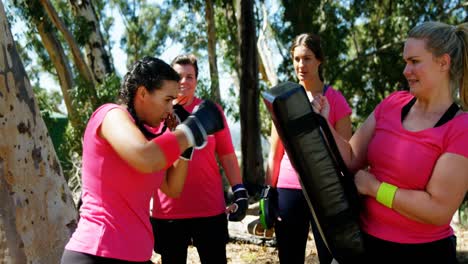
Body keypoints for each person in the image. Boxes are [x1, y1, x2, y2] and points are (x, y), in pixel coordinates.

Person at [312, 21, 468, 263]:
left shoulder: (461, 128)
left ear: (443, 63)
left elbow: (437, 210)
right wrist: (325, 125)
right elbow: (352, 158)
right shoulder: (393, 103)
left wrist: (375, 188)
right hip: (365, 244)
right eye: (406, 61)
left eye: (415, 61)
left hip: (422, 254)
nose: (406, 70)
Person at [61, 56, 225, 264]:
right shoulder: (111, 115)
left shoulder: (150, 136)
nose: (170, 109)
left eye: (173, 101)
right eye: (167, 99)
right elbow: (144, 156)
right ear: (142, 93)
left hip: (136, 256)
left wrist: (186, 148)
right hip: (96, 253)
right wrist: (192, 130)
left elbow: (172, 188)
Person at [150, 54, 248, 264]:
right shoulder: (156, 113)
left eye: (190, 76)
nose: (184, 81)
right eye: (178, 76)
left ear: (196, 80)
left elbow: (227, 154)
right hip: (168, 212)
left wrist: (239, 190)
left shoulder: (210, 112)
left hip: (209, 209)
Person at [265, 33, 353, 264]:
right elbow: (275, 153)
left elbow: (347, 152)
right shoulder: (283, 100)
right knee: (289, 257)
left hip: (326, 189)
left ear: (319, 60)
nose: (301, 65)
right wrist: (268, 192)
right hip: (289, 189)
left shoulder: (335, 100)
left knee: (331, 257)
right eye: (296, 59)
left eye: (307, 58)